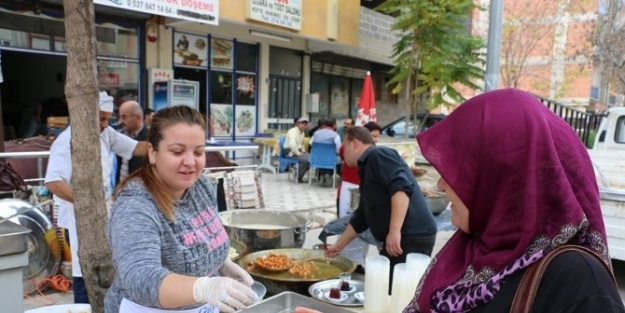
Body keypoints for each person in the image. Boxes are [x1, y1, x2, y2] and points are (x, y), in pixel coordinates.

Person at [405, 89, 625, 313]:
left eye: (458, 173)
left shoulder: (578, 282)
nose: (441, 184)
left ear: (502, 179)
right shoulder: (473, 250)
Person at [105, 106, 257, 313]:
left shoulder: (201, 186)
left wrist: (221, 265)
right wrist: (205, 287)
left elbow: (202, 238)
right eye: (177, 151)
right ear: (152, 152)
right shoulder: (135, 206)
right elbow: (140, 277)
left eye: (198, 152)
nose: (190, 162)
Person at [44, 91, 148, 304]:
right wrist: (87, 205)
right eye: (101, 118)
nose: (105, 123)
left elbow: (135, 147)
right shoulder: (66, 141)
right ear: (85, 114)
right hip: (79, 218)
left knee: (108, 268)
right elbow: (54, 182)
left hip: (105, 214)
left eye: (107, 118)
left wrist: (166, 145)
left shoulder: (105, 133)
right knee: (85, 271)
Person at [326, 126, 437, 287]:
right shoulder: (367, 166)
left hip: (411, 236)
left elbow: (401, 188)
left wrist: (394, 231)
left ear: (355, 143)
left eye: (345, 145)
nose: (342, 151)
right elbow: (361, 217)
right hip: (400, 238)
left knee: (398, 290)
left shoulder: (378, 155)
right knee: (385, 288)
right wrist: (338, 246)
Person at [116, 101, 149, 183]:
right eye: (119, 117)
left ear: (138, 117)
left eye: (124, 117)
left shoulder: (150, 138)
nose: (120, 121)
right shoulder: (119, 137)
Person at [310, 116, 341, 184]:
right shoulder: (335, 135)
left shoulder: (316, 133)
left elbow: (311, 144)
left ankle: (324, 173)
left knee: (326, 158)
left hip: (316, 159)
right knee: (339, 159)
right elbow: (338, 150)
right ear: (334, 125)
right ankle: (329, 174)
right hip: (330, 160)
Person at [283, 116, 310, 182]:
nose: (304, 125)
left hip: (298, 150)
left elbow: (302, 144)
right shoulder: (292, 131)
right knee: (306, 160)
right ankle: (297, 175)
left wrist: (303, 152)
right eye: (302, 123)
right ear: (297, 124)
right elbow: (292, 145)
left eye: (305, 124)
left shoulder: (302, 132)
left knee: (312, 158)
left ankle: (298, 172)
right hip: (289, 152)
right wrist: (298, 153)